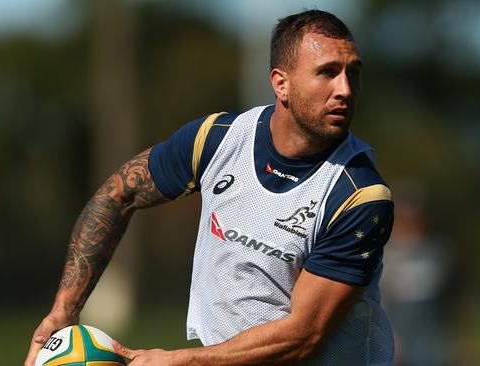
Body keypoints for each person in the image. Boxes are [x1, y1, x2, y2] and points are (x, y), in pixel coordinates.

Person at [26, 9, 394, 365]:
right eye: (327, 73)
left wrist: (181, 361)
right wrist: (64, 310)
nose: (345, 89)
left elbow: (304, 337)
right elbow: (116, 195)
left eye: (353, 73)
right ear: (281, 83)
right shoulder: (216, 140)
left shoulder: (359, 196)